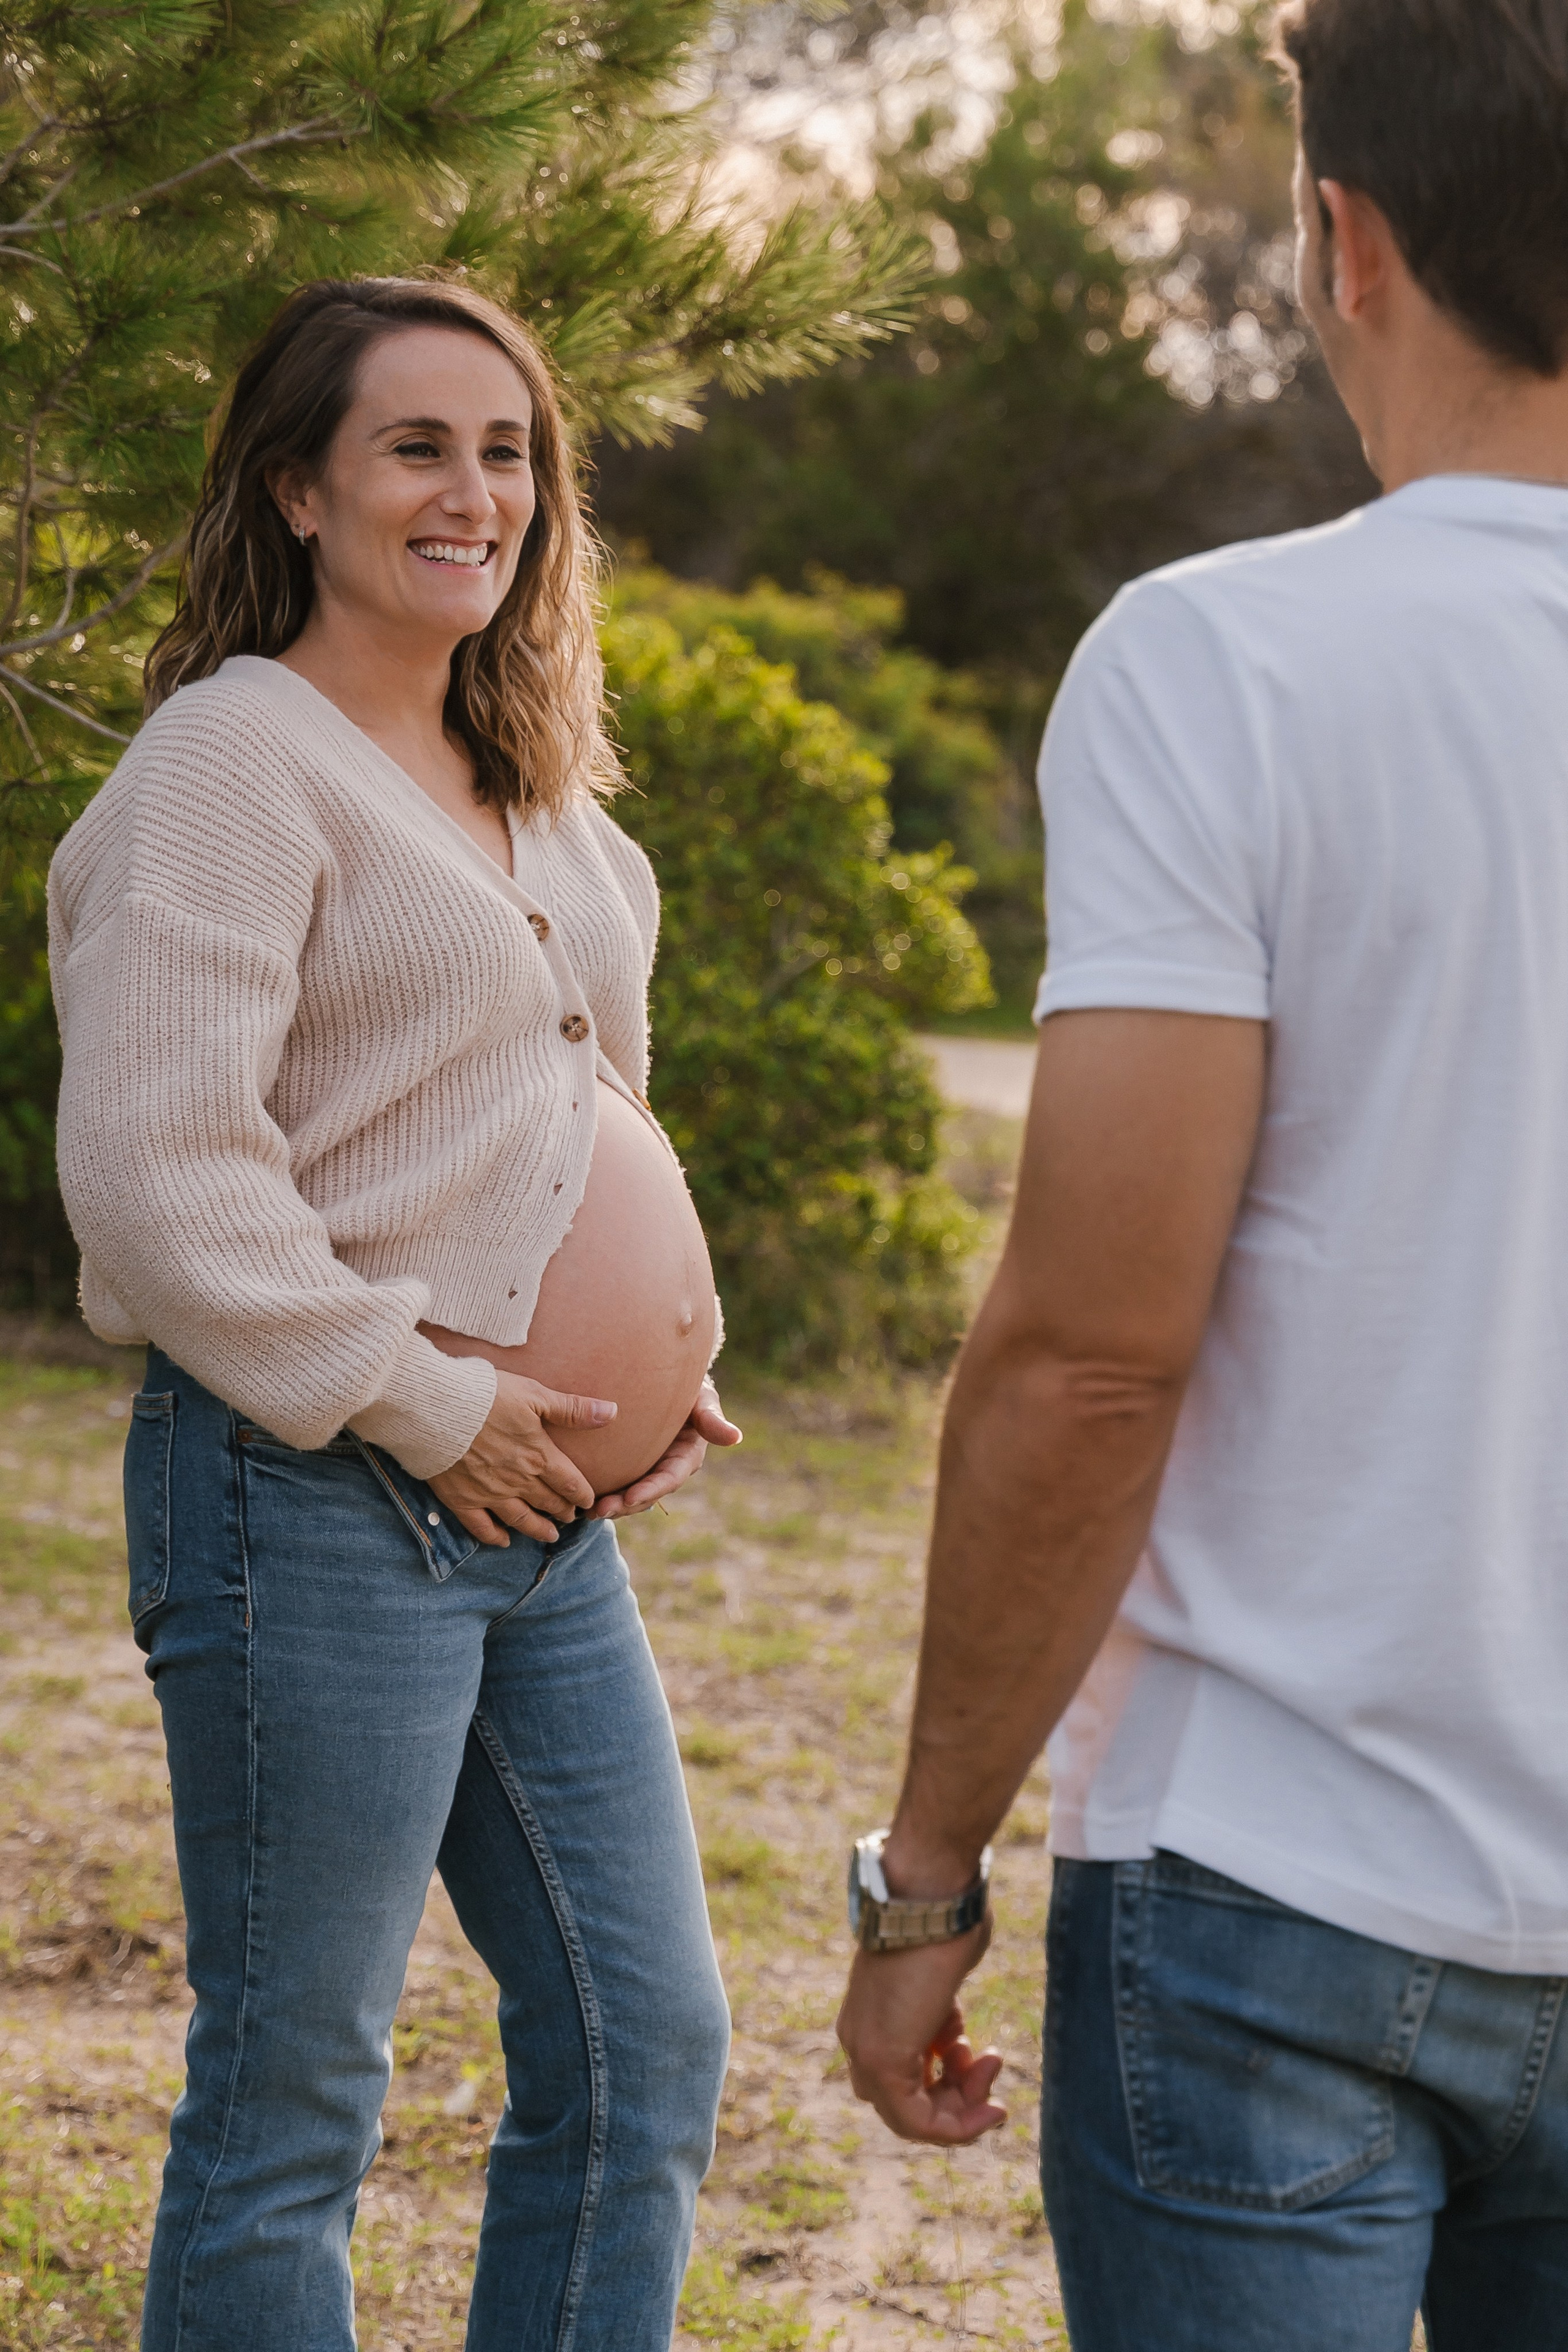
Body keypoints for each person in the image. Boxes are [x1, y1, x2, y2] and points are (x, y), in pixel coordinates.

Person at [835, 2, 1568, 2343]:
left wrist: (919, 1875)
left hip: (1275, 1896)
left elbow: (1088, 1362)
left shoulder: (1221, 669)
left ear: (1345, 240)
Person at [48, 276, 739, 2352]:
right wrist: (422, 1395)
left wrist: (649, 1371)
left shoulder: (526, 770)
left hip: (540, 1519)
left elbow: (561, 1101)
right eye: (417, 447)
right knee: (298, 2099)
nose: (476, 491)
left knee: (649, 2045)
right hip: (311, 1497)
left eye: (508, 447)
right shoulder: (229, 763)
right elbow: (160, 1178)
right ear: (298, 488)